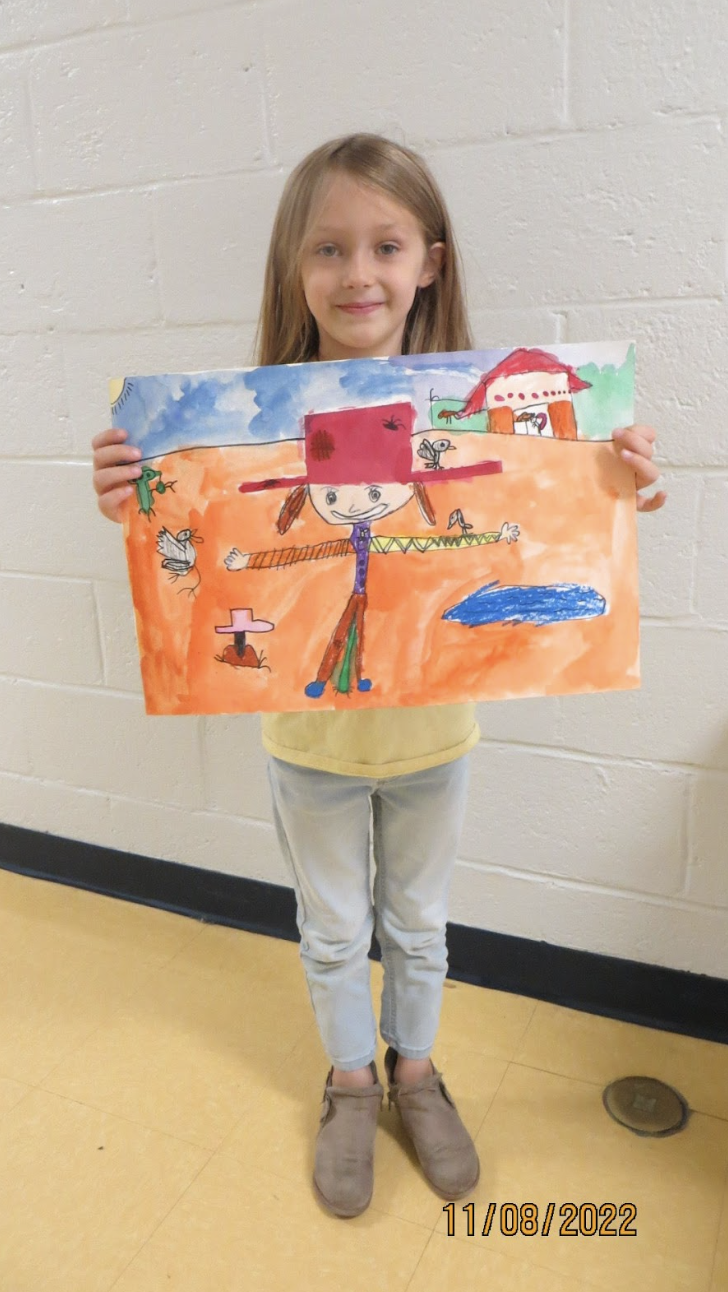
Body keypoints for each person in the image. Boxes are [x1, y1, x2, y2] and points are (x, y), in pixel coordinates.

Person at [91, 133, 667, 1220]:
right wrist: (139, 493)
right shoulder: (243, 427)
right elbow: (201, 543)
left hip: (433, 738)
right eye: (329, 248)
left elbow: (530, 529)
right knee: (329, 930)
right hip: (307, 743)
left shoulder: (474, 416)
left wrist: (610, 486)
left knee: (418, 924)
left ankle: (416, 1071)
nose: (358, 273)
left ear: (429, 264)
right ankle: (350, 1083)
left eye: (385, 246)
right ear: (294, 268)